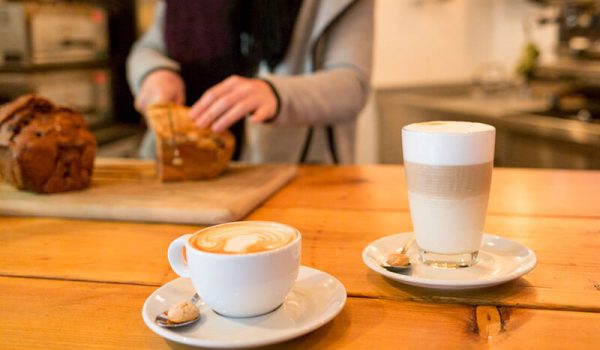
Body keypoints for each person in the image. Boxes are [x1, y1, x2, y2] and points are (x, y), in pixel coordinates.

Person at [127, 0, 373, 164]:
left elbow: (353, 85)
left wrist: (276, 94)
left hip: (295, 170)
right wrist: (154, 72)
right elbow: (147, 48)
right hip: (184, 166)